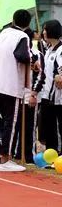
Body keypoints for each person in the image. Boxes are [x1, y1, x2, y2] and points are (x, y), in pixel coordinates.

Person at [0, 9, 32, 172]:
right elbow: (22, 56)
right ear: (28, 23)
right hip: (12, 85)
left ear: (13, 20)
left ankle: (1, 154)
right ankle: (6, 159)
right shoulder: (23, 36)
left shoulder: (4, 32)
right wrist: (33, 59)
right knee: (11, 122)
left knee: (4, 120)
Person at [35, 20, 62, 154]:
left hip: (58, 98)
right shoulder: (49, 50)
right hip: (46, 96)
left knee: (58, 128)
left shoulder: (60, 50)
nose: (43, 32)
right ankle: (52, 154)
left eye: (46, 29)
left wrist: (60, 76)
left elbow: (60, 69)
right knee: (47, 127)